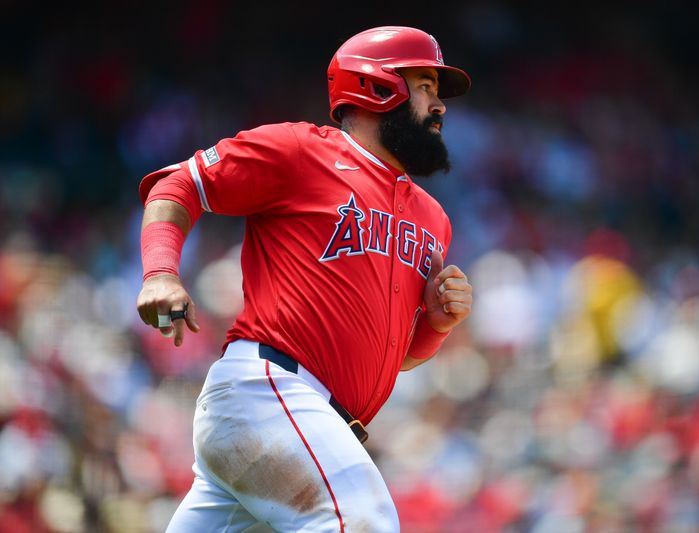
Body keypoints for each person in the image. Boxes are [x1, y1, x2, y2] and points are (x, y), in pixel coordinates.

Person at [136, 26, 473, 532]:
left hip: (305, 425)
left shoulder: (433, 218)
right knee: (363, 521)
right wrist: (161, 272)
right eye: (424, 84)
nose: (439, 104)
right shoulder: (299, 150)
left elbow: (392, 357)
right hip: (270, 392)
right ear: (376, 86)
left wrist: (437, 325)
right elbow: (179, 183)